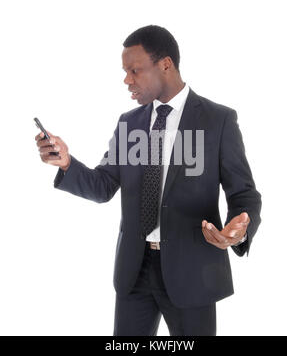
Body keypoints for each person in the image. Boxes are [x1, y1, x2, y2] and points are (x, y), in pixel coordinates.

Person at [35, 25, 262, 336]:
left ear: (165, 65)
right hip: (134, 271)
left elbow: (244, 192)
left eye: (134, 70)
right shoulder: (129, 123)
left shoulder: (217, 120)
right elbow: (103, 185)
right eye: (125, 71)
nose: (127, 79)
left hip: (192, 272)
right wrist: (66, 163)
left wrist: (239, 229)